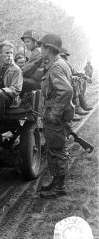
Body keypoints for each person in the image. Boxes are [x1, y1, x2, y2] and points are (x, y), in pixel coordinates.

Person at [37, 34, 74, 199]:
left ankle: (60, 187)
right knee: (54, 148)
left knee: (57, 149)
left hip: (55, 116)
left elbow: (66, 91)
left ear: (49, 49)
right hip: (57, 114)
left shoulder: (56, 67)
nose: (41, 50)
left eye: (42, 47)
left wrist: (55, 112)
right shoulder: (60, 64)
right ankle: (56, 182)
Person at [60, 48, 92, 115]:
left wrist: (84, 76)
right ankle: (77, 108)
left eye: (66, 56)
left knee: (78, 84)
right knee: (74, 86)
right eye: (64, 55)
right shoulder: (59, 63)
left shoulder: (65, 62)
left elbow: (74, 71)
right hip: (61, 82)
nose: (66, 57)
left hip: (66, 81)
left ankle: (81, 105)